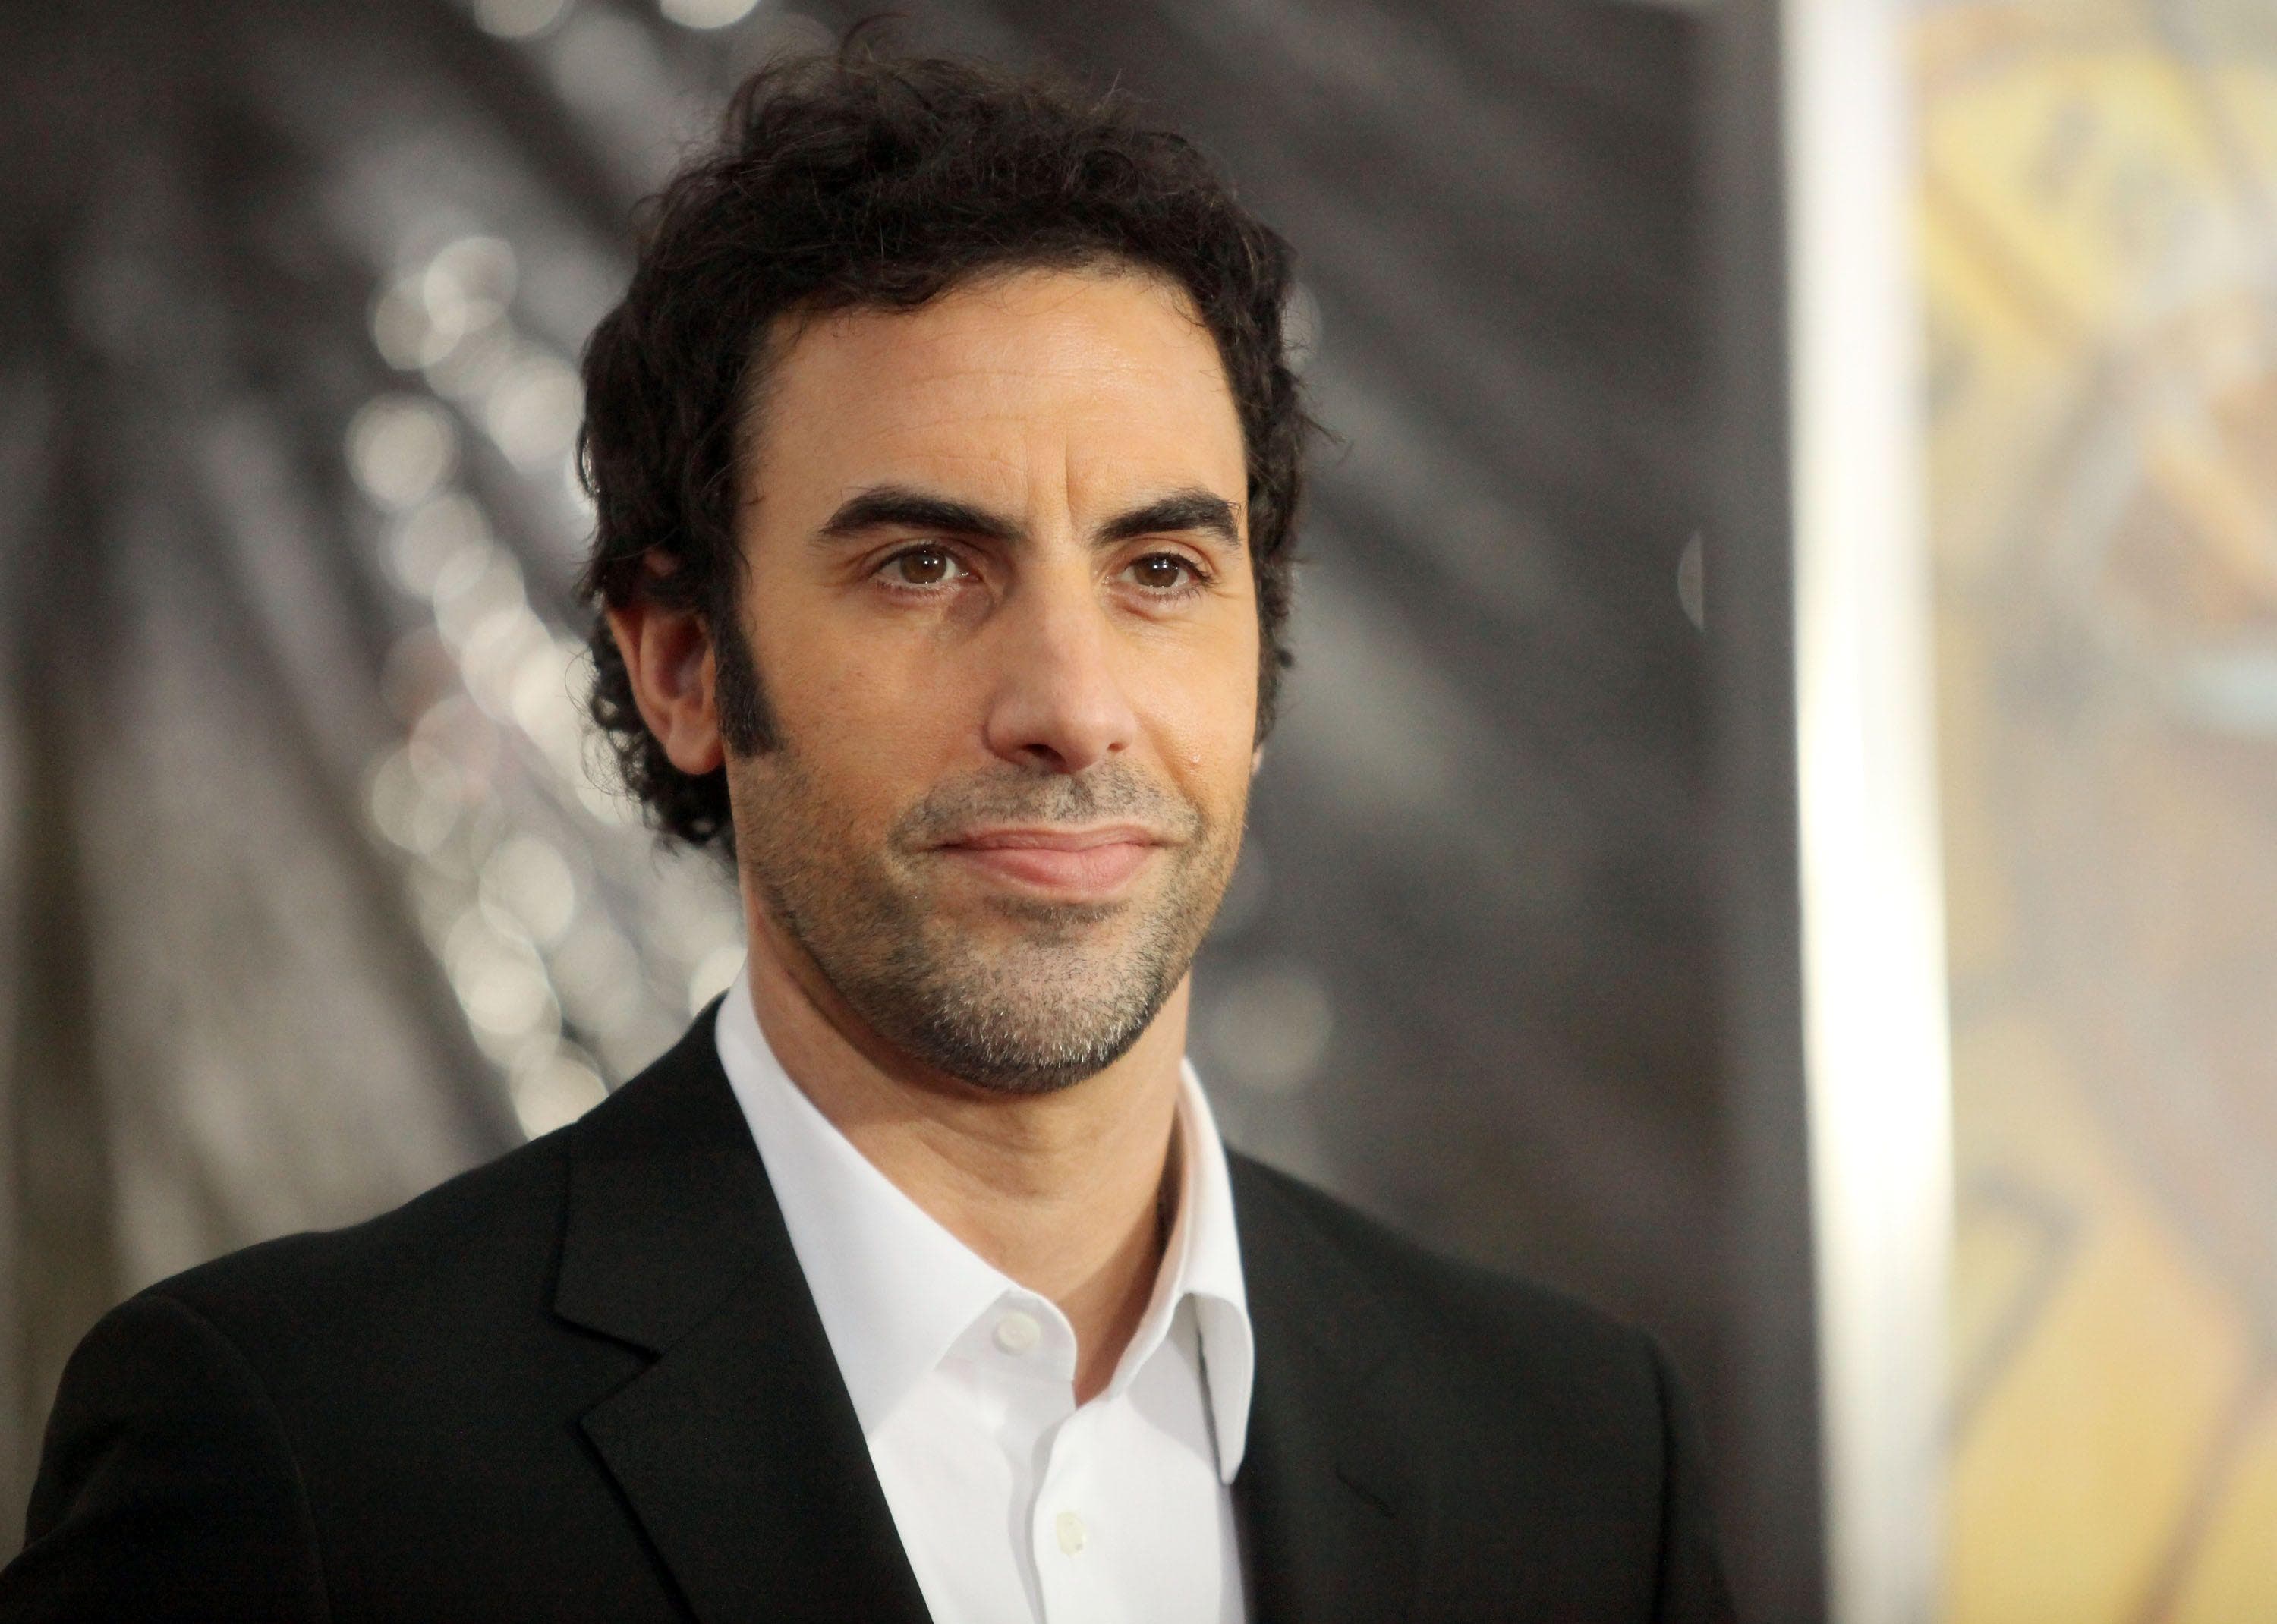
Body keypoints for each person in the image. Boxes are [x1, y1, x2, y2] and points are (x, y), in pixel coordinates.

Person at [1, 48, 1734, 1624]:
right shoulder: (301, 1459)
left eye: (1160, 569)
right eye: (925, 566)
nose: (1072, 704)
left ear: (1259, 667)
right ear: (684, 666)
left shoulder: (1579, 1459)